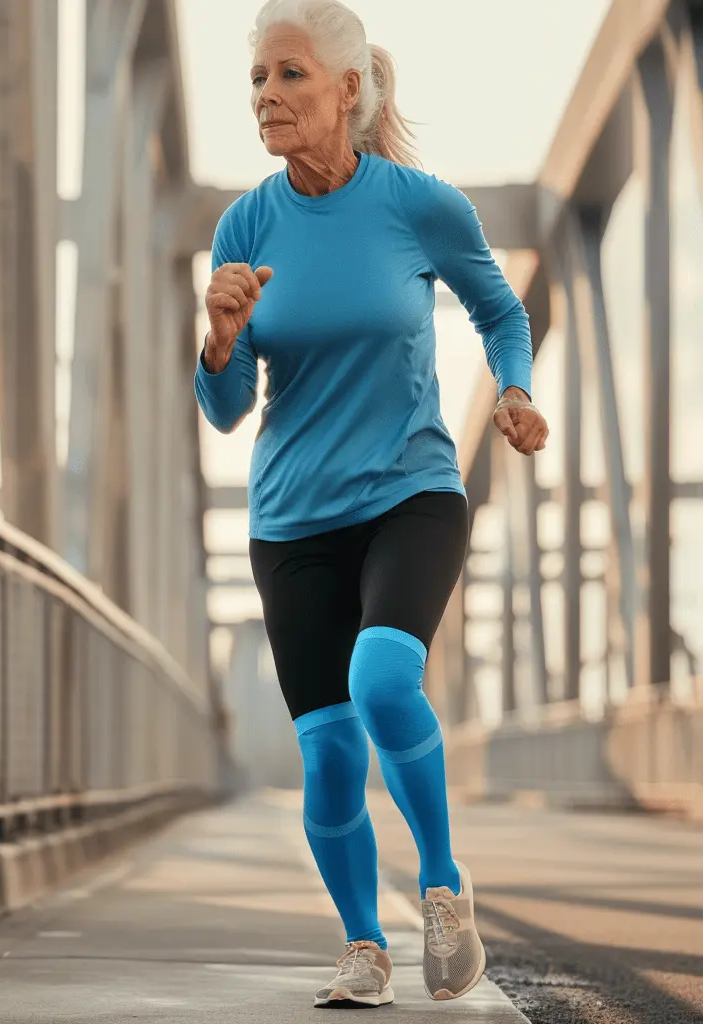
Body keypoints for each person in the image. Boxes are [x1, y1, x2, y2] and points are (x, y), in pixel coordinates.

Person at [194, 0, 549, 1010]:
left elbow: (499, 308)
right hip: (291, 521)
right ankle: (363, 945)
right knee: (330, 755)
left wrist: (514, 391)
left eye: (288, 75)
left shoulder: (420, 204)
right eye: (256, 79)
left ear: (347, 90)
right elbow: (225, 410)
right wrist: (217, 342)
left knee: (385, 678)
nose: (266, 96)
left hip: (410, 492)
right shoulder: (246, 223)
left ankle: (441, 882)